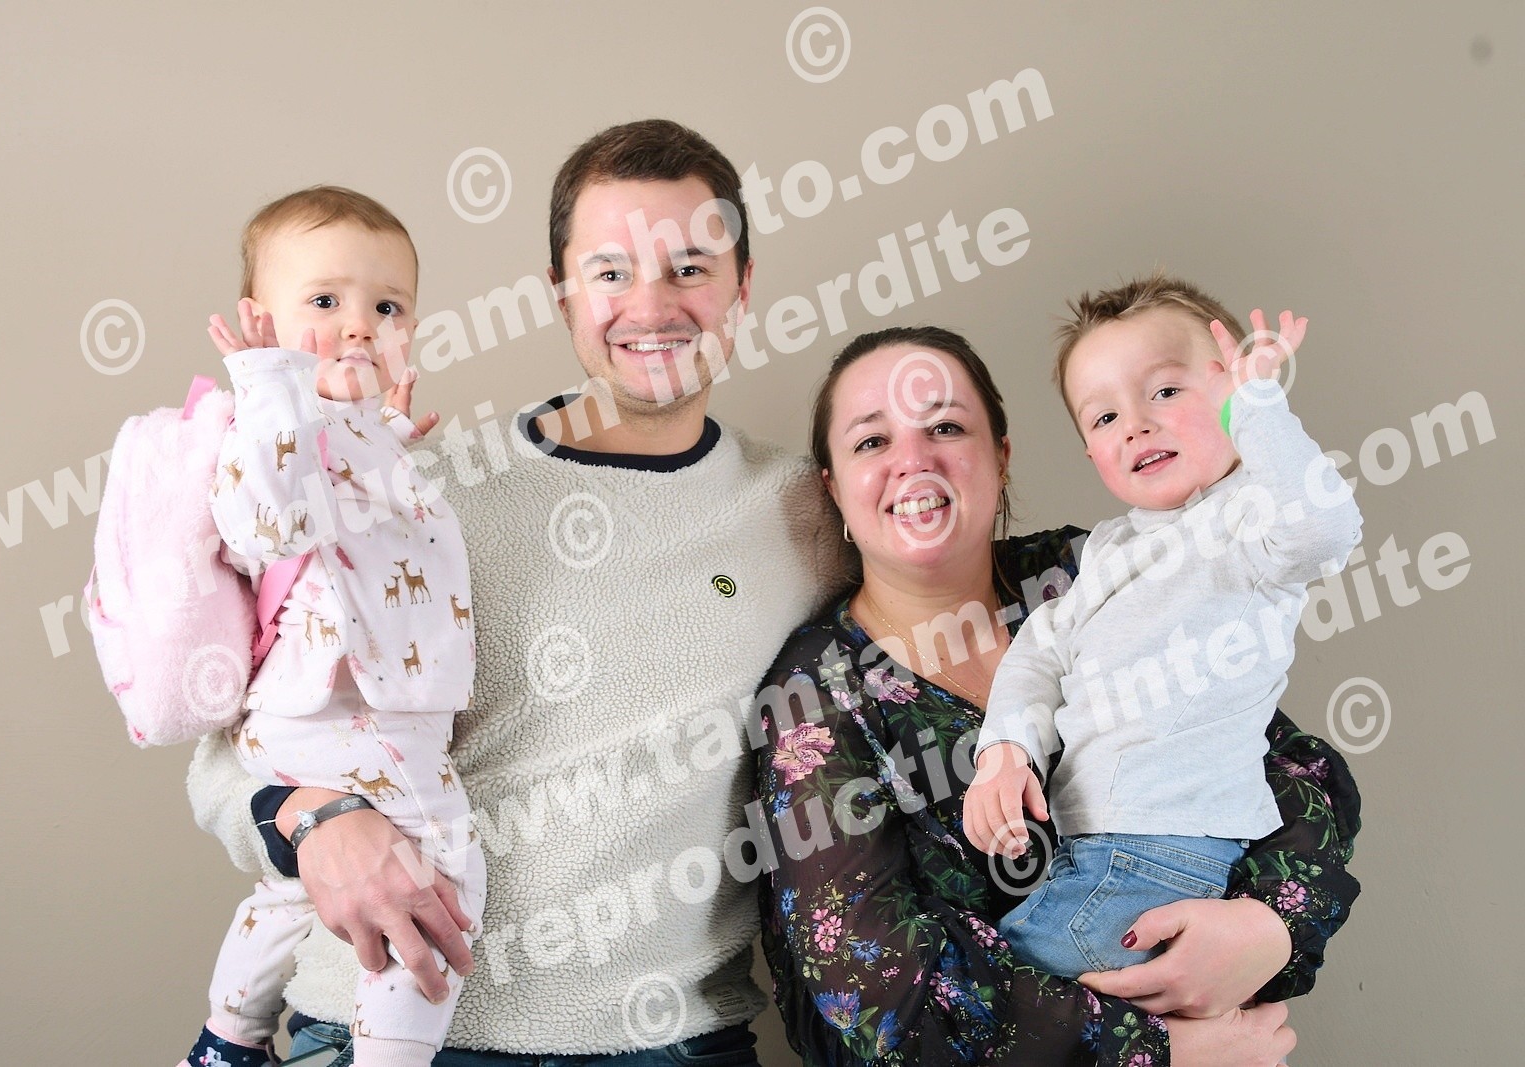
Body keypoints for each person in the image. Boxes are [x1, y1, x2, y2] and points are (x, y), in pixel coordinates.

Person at [185, 121, 849, 1064]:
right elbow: (228, 756)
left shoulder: (808, 512)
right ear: (562, 293)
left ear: (742, 288)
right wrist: (310, 823)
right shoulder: (412, 492)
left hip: (672, 1041)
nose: (652, 304)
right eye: (612, 271)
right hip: (392, 1028)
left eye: (690, 268)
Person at [754, 324, 1362, 1065]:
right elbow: (872, 990)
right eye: (872, 441)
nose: (913, 460)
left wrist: (1271, 928)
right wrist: (1161, 1052)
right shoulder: (814, 694)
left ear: (1001, 457)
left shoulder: (1086, 572)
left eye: (945, 427)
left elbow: (1295, 771)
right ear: (833, 487)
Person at [963, 278, 1361, 985]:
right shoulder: (1108, 550)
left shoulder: (1249, 517)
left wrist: (1258, 409)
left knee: (1000, 995)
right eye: (1105, 416)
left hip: (1165, 847)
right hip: (1094, 847)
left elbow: (1324, 529)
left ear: (1228, 391)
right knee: (1010, 993)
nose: (1136, 425)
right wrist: (1004, 752)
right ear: (1091, 451)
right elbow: (1041, 651)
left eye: (1166, 391)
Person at [181, 186, 483, 1067]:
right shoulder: (261, 420)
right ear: (260, 319)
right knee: (446, 872)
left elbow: (344, 518)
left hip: (329, 719)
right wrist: (267, 379)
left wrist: (381, 435)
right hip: (347, 713)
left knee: (287, 891)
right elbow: (269, 523)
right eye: (324, 300)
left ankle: (226, 1038)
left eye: (387, 307)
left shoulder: (331, 422)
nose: (359, 325)